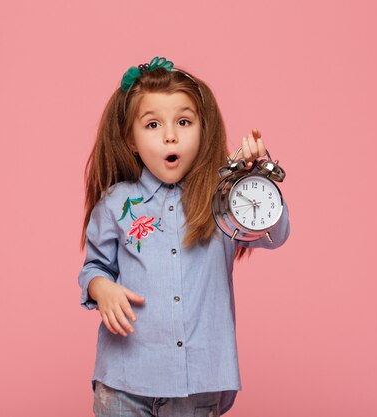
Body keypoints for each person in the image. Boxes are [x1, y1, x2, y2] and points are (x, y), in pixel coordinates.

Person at [78, 56, 290, 417]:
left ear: (203, 130)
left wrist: (256, 181)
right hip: (125, 380)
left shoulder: (223, 197)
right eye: (153, 124)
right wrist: (103, 289)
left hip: (198, 382)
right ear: (130, 138)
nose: (170, 135)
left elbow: (274, 233)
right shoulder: (116, 203)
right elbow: (93, 269)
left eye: (183, 121)